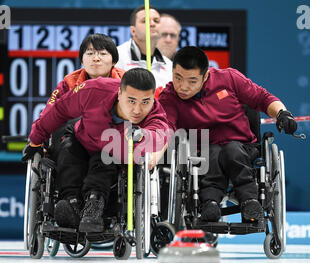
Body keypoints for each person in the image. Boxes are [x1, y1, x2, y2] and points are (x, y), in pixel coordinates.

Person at [158, 46, 297, 224]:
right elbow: (165, 128)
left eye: (192, 81)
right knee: (213, 152)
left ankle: (250, 201)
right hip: (203, 152)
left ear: (205, 76)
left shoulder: (229, 78)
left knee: (231, 150)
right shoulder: (169, 96)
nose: (183, 87)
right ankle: (210, 203)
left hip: (243, 147)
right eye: (178, 78)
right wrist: (152, 153)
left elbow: (262, 98)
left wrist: (281, 113)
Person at [22, 68, 170, 233]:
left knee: (105, 158)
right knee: (68, 149)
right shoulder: (94, 90)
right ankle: (71, 204)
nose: (137, 110)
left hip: (114, 155)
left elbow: (161, 132)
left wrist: (143, 134)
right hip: (82, 140)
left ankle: (94, 207)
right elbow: (59, 110)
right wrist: (35, 140)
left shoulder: (154, 110)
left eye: (145, 102)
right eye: (131, 101)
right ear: (119, 93)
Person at [43, 33, 125, 158]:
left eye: (102, 54)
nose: (96, 58)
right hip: (74, 140)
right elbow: (50, 113)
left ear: (114, 60)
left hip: (112, 140)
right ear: (81, 60)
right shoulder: (68, 82)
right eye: (90, 53)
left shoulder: (127, 82)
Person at [116, 5, 172, 89]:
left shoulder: (169, 66)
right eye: (145, 21)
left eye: (156, 21)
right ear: (133, 31)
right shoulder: (117, 58)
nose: (152, 24)